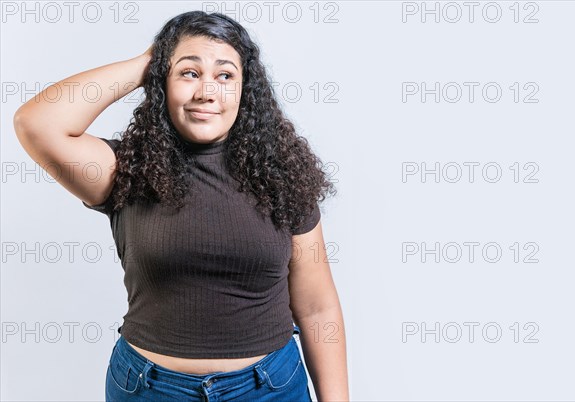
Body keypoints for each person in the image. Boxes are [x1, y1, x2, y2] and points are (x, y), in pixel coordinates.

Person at [13, 10, 349, 402]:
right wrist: (147, 62)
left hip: (269, 388)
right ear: (162, 82)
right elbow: (36, 123)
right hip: (148, 388)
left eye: (225, 76)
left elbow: (317, 308)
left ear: (246, 89)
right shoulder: (125, 170)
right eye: (189, 73)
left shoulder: (284, 177)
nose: (206, 92)